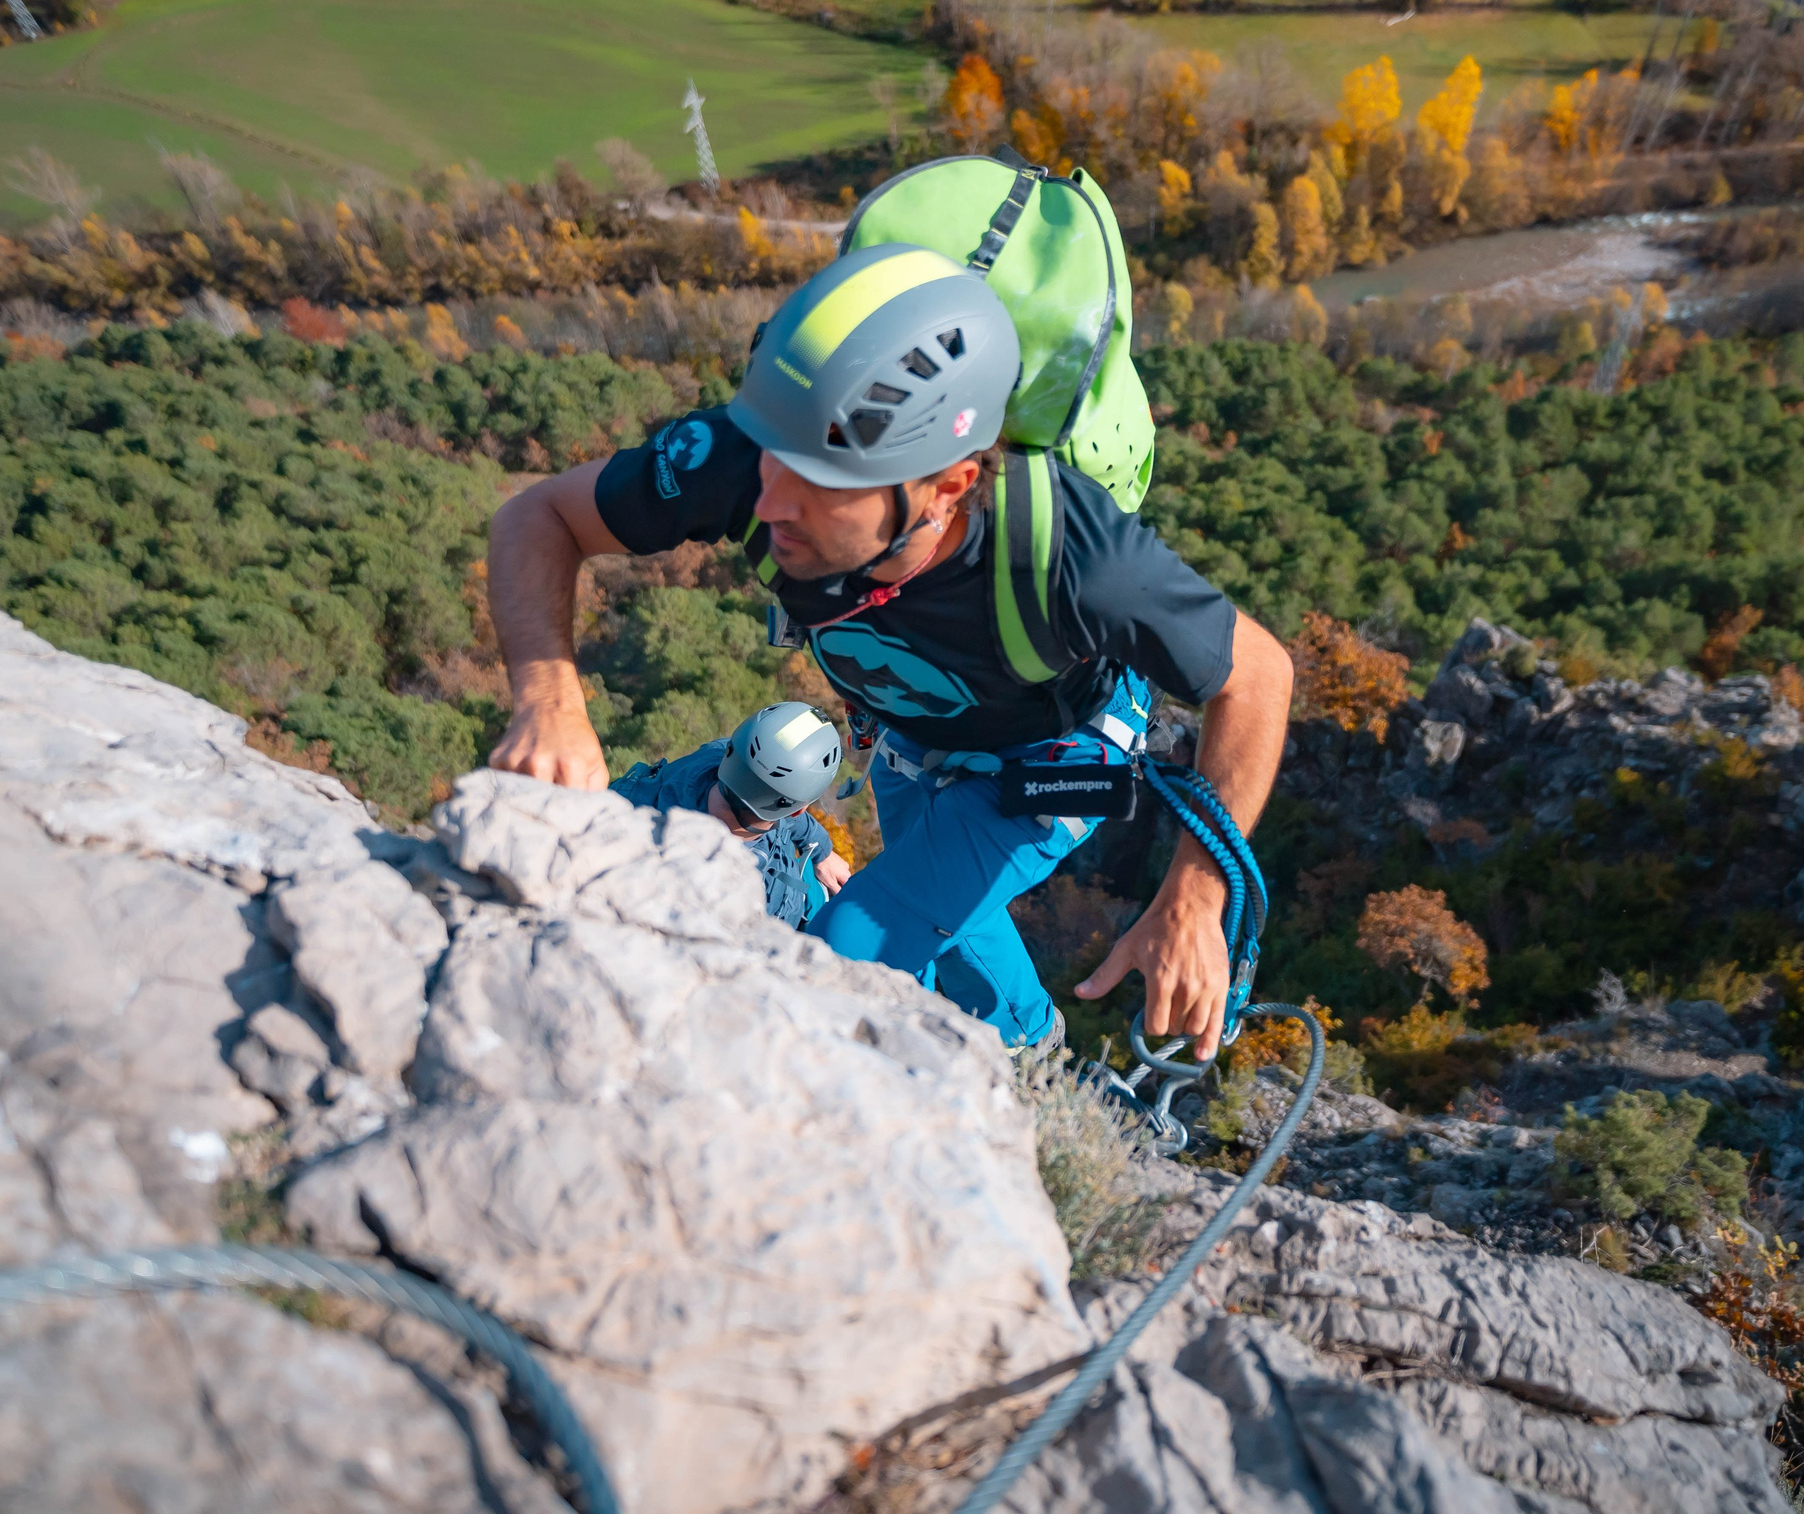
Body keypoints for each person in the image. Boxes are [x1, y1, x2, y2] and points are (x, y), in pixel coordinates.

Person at [485, 242, 1293, 1060]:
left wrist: (1194, 892)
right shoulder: (753, 451)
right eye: (769, 461)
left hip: (1057, 757)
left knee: (837, 955)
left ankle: (1032, 1070)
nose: (767, 502)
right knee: (932, 889)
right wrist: (550, 699)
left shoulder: (1071, 555)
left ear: (946, 487)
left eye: (822, 482)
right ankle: (1034, 1051)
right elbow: (538, 519)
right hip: (910, 733)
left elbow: (1258, 676)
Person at [609, 701, 853, 926]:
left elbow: (765, 791)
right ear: (800, 809)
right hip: (782, 912)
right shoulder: (735, 897)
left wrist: (821, 850)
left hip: (790, 876)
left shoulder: (709, 758)